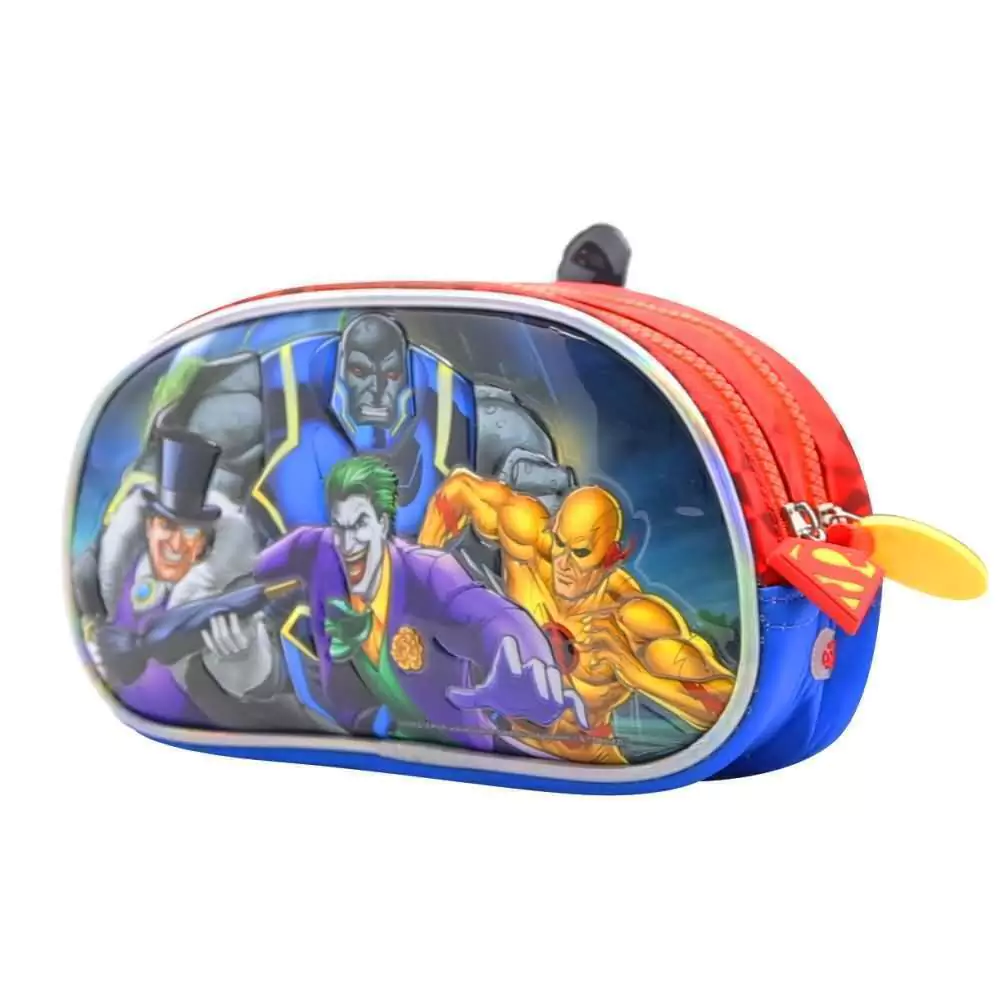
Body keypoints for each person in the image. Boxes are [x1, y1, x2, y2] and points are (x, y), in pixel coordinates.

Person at [253, 456, 587, 751]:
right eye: (340, 527)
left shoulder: (429, 573)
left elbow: (490, 617)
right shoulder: (319, 550)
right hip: (372, 755)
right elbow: (253, 569)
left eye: (360, 525)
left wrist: (531, 663)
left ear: (382, 524)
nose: (347, 543)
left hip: (460, 756)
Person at [419, 470, 736, 763]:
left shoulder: (632, 620)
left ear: (611, 557)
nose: (563, 563)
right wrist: (421, 575)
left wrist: (639, 676)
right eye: (560, 542)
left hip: (588, 760)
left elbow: (727, 706)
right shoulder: (528, 543)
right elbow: (460, 489)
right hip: (503, 740)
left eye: (581, 552)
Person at [74, 429, 307, 730]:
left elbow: (272, 687)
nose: (175, 544)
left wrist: (243, 661)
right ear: (149, 526)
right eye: (166, 526)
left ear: (202, 543)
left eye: (189, 532)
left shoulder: (225, 594)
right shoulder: (113, 574)